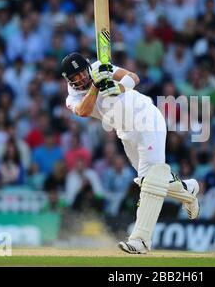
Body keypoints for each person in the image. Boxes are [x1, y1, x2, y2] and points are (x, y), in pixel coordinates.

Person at [61, 52, 199, 254]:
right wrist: (96, 86)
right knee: (148, 181)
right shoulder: (72, 97)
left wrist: (118, 86)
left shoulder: (100, 66)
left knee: (151, 181)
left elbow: (133, 77)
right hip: (125, 131)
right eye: (76, 77)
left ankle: (141, 241)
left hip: (146, 117)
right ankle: (188, 189)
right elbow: (83, 110)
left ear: (88, 67)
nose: (81, 78)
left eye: (83, 72)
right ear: (69, 80)